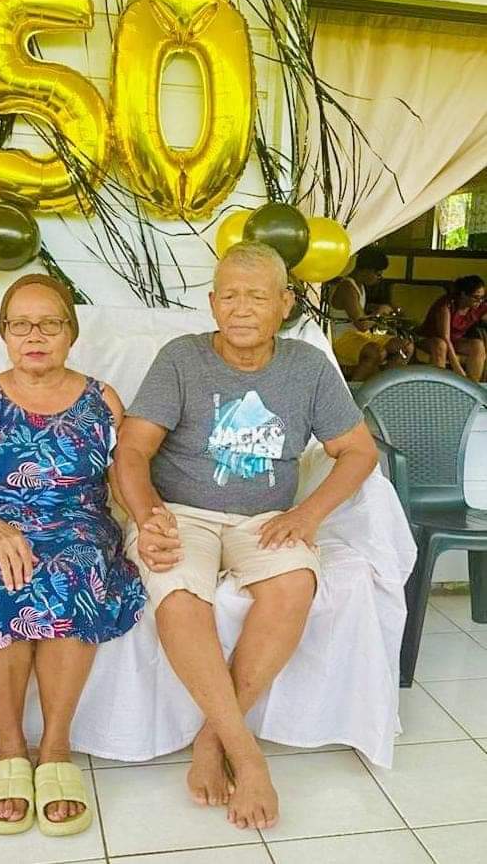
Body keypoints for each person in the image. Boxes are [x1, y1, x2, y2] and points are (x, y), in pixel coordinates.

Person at [115, 242, 378, 832]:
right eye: (229, 296)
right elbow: (131, 448)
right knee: (179, 596)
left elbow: (359, 452)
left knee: (293, 585)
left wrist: (308, 515)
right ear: (212, 303)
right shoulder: (181, 358)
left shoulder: (309, 368)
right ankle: (248, 756)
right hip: (180, 510)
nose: (241, 308)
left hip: (266, 517)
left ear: (284, 304)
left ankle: (213, 739)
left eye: (257, 296)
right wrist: (148, 515)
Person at [0, 274, 146, 836]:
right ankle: (8, 747)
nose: (35, 335)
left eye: (50, 323)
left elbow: (125, 485)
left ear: (71, 332)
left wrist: (152, 522)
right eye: (20, 324)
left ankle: (55, 748)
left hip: (79, 523)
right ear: (3, 333)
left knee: (74, 570)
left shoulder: (102, 400)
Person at [329, 246, 414, 380]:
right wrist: (379, 312)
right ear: (366, 270)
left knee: (406, 346)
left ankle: (384, 384)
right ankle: (355, 389)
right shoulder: (347, 288)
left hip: (361, 336)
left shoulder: (360, 285)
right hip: (343, 339)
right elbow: (362, 325)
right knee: (376, 352)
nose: (379, 278)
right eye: (378, 274)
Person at [418, 274, 487, 382]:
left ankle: (472, 385)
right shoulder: (447, 305)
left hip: (456, 341)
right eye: (476, 297)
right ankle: (440, 385)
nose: (479, 301)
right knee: (441, 345)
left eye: (482, 298)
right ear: (464, 294)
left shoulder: (479, 306)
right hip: (431, 339)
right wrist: (459, 371)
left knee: (477, 345)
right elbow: (445, 338)